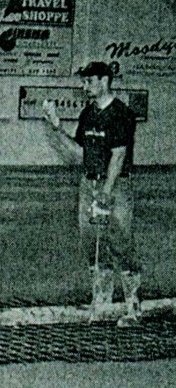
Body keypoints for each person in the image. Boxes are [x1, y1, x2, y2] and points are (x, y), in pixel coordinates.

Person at [41, 61, 140, 326]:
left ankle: (133, 306)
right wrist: (56, 126)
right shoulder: (88, 114)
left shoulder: (122, 114)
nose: (84, 86)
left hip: (115, 185)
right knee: (92, 244)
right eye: (83, 82)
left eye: (88, 81)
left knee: (119, 241)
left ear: (104, 81)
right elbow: (78, 153)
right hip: (89, 184)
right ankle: (101, 305)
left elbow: (118, 157)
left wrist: (106, 194)